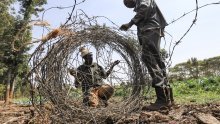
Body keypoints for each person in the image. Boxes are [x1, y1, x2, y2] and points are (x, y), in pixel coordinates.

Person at [120, 0, 174, 111]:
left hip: (149, 30)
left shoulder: (142, 1)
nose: (126, 5)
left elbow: (144, 8)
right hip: (152, 30)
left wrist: (130, 23)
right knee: (157, 62)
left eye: (126, 2)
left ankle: (162, 100)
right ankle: (168, 98)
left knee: (149, 60)